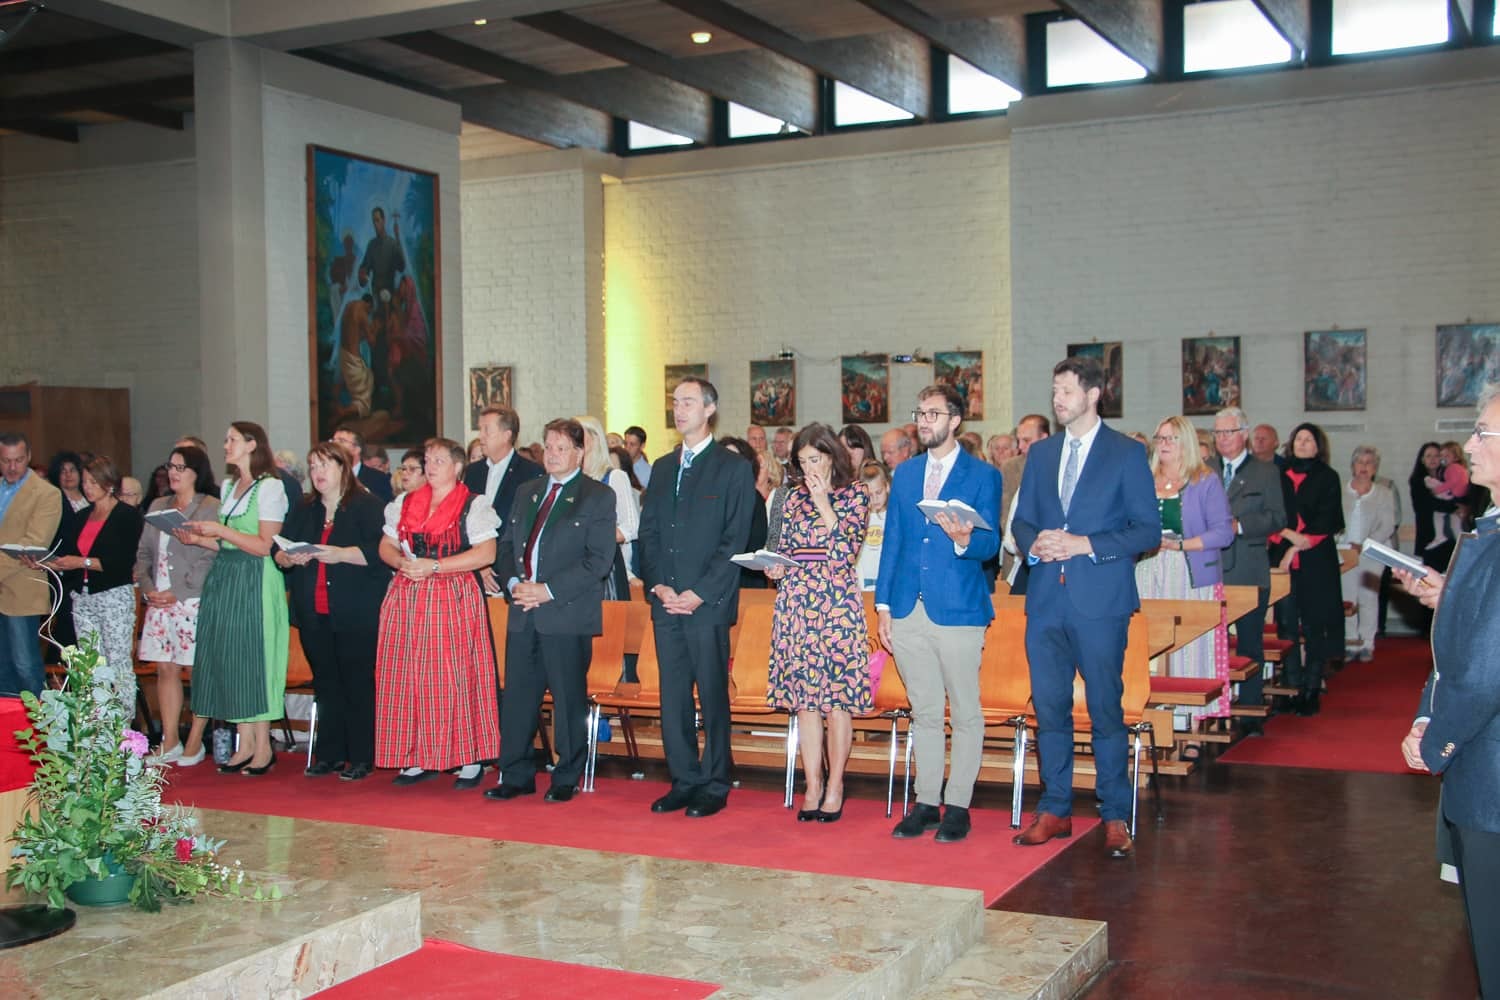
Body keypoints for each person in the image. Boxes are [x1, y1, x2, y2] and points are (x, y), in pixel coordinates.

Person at [1011, 356, 1160, 859]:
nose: (1058, 399)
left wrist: (1085, 545)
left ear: (1094, 395)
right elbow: (1022, 521)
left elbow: (1146, 530)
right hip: (1046, 599)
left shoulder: (1126, 453)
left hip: (1100, 600)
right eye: (1055, 390)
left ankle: (1114, 813)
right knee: (1049, 707)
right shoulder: (1042, 453)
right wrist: (1035, 546)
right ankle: (1055, 807)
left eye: (1068, 391)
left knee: (1104, 710)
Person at [1395, 383, 1500, 999]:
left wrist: (1437, 738)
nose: (1470, 444)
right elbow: (1473, 633)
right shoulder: (1490, 526)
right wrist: (1424, 714)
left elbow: (1487, 672)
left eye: (1483, 432)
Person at [876, 384, 1002, 844]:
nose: (924, 421)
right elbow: (893, 539)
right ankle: (927, 801)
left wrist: (966, 539)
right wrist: (884, 605)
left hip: (959, 607)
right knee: (925, 710)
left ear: (955, 421)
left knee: (965, 711)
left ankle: (959, 805)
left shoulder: (982, 475)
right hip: (909, 606)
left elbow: (990, 543)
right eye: (920, 413)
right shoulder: (907, 473)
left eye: (933, 414)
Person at [638, 377, 754, 818]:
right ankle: (683, 779)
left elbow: (735, 539)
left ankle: (715, 781)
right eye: (675, 401)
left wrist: (700, 592)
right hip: (667, 599)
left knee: (711, 693)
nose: (679, 408)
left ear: (709, 410)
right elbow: (649, 532)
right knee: (673, 697)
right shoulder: (663, 467)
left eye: (688, 402)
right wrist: (659, 585)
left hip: (707, 602)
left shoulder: (732, 467)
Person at [486, 419, 616, 804]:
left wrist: (547, 590)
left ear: (580, 453)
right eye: (548, 447)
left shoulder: (596, 496)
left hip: (566, 612)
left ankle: (566, 774)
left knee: (567, 697)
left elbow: (598, 560)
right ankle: (516, 773)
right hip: (523, 608)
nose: (553, 455)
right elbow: (506, 546)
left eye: (562, 448)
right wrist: (514, 584)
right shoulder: (527, 491)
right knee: (518, 698)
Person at [376, 438, 501, 789]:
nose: (430, 467)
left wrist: (435, 566)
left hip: (452, 593)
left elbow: (486, 553)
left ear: (458, 467)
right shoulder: (405, 502)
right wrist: (400, 561)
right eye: (427, 460)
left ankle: (470, 757)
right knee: (407, 676)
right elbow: (385, 544)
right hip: (407, 595)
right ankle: (417, 754)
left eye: (439, 461)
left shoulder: (472, 504)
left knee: (455, 675)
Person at [764, 424, 871, 823]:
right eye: (802, 461)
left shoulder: (856, 493)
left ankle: (836, 784)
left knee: (836, 701)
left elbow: (845, 552)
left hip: (836, 603)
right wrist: (774, 567)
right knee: (805, 702)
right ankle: (812, 784)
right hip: (796, 601)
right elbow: (781, 547)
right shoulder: (790, 497)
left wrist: (824, 502)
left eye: (816, 459)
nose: (809, 468)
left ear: (832, 457)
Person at [275, 442, 391, 781]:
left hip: (355, 610)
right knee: (325, 683)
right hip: (313, 610)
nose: (317, 473)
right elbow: (278, 549)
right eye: (313, 466)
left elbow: (381, 553)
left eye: (324, 465)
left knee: (356, 682)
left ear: (343, 467)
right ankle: (329, 754)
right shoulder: (304, 507)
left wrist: (340, 554)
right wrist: (288, 557)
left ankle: (361, 756)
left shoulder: (368, 506)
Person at [184, 421, 290, 776]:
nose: (225, 445)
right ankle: (244, 743)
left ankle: (263, 747)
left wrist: (220, 530)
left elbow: (263, 545)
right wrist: (200, 539)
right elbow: (227, 543)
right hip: (227, 575)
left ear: (251, 444)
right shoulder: (230, 485)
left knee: (255, 658)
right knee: (232, 658)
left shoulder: (270, 487)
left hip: (255, 578)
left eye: (231, 439)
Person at [1134, 416, 1234, 757]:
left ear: (1186, 443)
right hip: (1148, 569)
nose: (1163, 444)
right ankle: (1152, 723)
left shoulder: (1204, 480)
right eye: (1160, 438)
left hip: (1189, 573)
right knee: (1150, 647)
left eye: (1171, 438)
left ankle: (1191, 729)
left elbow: (1223, 532)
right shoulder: (1144, 480)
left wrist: (1180, 545)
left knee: (1190, 650)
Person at [41, 456, 145, 718]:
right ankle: (97, 723)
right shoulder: (82, 516)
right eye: (85, 482)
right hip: (83, 597)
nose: (87, 487)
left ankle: (123, 727)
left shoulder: (127, 516)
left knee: (118, 662)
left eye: (93, 482)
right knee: (91, 664)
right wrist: (48, 562)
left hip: (113, 595)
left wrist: (80, 561)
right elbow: (70, 554)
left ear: (109, 484)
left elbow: (121, 563)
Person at [136, 445, 219, 765]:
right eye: (170, 466)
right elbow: (143, 554)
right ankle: (169, 738)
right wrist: (148, 589)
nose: (173, 472)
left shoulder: (210, 506)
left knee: (197, 670)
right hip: (159, 599)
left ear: (197, 472)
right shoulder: (158, 504)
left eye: (180, 468)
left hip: (191, 599)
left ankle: (195, 740)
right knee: (165, 668)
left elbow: (210, 556)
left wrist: (179, 591)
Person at [1207, 407, 1285, 735]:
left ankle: (1251, 713)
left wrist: (1240, 525)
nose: (1223, 439)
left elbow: (1278, 518)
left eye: (1228, 432)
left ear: (1243, 434)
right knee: (1211, 643)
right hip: (1210, 568)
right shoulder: (1205, 470)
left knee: (1250, 642)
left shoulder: (1265, 472)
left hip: (1248, 568)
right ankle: (1215, 709)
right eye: (1218, 433)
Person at [1269, 422, 1345, 716]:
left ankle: (1311, 689)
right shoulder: (1278, 474)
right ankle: (1290, 687)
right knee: (1286, 625)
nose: (1302, 443)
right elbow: (1270, 514)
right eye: (1298, 438)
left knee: (1314, 626)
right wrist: (1288, 537)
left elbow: (1328, 518)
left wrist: (1298, 545)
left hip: (1316, 558)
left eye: (1308, 439)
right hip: (1282, 555)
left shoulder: (1328, 477)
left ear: (1318, 446)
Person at [0, 432, 60, 699]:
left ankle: (39, 723)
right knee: (2, 671)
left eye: (19, 460)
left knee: (25, 667)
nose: (12, 467)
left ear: (30, 457)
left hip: (22, 590)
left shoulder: (47, 494)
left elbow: (32, 543)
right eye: (6, 461)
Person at [464, 405, 544, 597]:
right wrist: (480, 563)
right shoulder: (473, 472)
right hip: (475, 571)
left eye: (487, 430)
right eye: (480, 429)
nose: (481, 436)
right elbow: (465, 520)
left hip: (513, 572)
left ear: (506, 435)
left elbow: (528, 527)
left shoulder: (531, 473)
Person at [1340, 445, 1396, 662]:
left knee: (1368, 597)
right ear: (1353, 466)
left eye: (1369, 463)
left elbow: (1387, 526)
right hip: (1344, 552)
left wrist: (1363, 545)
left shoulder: (1384, 493)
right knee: (1347, 598)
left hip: (1372, 552)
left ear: (1375, 468)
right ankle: (1349, 641)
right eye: (1360, 462)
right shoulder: (1341, 490)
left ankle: (1367, 643)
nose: (1364, 466)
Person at [577, 415, 640, 600]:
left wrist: (589, 536)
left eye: (578, 434)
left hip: (605, 568)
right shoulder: (571, 479)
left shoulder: (614, 476)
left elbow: (631, 527)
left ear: (594, 438)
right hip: (573, 567)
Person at [1000, 414, 1051, 589]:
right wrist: (1021, 542)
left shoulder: (1058, 466)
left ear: (1044, 438)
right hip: (1017, 552)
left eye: (1027, 441)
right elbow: (1006, 514)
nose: (1021, 447)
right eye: (1019, 440)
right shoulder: (1011, 467)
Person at [719, 436, 770, 591]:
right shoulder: (708, 498)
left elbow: (755, 543)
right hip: (713, 578)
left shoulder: (753, 497)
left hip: (745, 578)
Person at [333, 425, 394, 502]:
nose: (334, 445)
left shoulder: (379, 479)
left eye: (341, 441)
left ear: (357, 449)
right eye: (333, 440)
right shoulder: (326, 476)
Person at [856, 460, 889, 591]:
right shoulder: (859, 518)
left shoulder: (892, 517)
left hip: (887, 581)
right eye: (869, 495)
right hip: (864, 581)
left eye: (878, 492)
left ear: (887, 487)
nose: (875, 499)